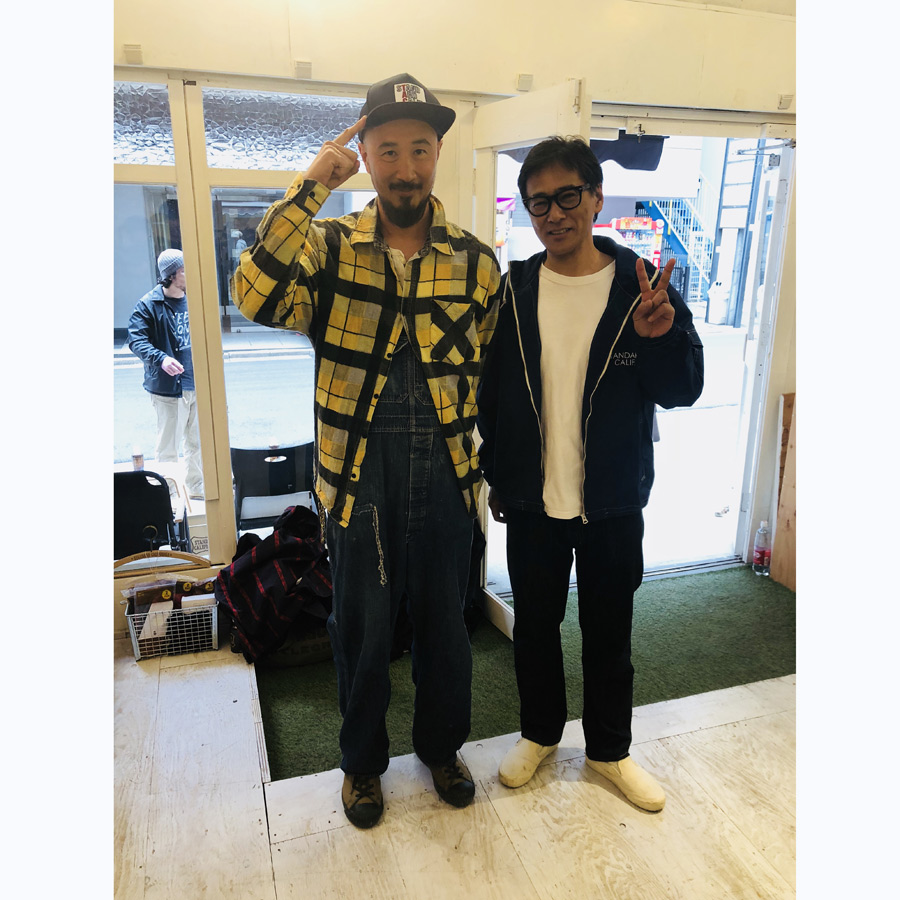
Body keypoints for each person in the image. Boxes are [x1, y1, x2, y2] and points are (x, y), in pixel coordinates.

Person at [231, 73, 501, 829]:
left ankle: (441, 749)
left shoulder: (476, 262)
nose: (406, 168)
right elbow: (252, 296)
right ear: (368, 157)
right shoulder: (327, 250)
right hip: (356, 477)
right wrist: (311, 187)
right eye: (388, 151)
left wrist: (494, 473)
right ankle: (361, 765)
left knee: (446, 626)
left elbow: (490, 373)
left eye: (420, 149)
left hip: (448, 473)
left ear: (438, 153)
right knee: (360, 628)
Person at [477, 137, 704, 812]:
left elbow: (684, 388)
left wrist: (662, 338)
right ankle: (539, 735)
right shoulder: (515, 289)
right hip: (534, 502)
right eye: (538, 202)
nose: (554, 214)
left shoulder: (642, 284)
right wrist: (497, 473)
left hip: (612, 502)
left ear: (596, 197)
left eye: (567, 196)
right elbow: (494, 394)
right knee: (535, 631)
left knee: (610, 635)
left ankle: (609, 750)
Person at [128, 248, 204, 499]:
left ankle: (196, 488)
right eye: (184, 270)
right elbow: (136, 340)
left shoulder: (194, 299)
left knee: (197, 443)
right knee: (168, 448)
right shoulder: (149, 304)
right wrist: (162, 359)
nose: (189, 273)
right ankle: (169, 496)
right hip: (168, 389)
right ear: (171, 275)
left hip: (197, 383)